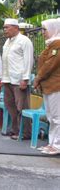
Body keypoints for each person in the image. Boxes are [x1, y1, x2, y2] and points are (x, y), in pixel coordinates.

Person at [1, 18, 34, 140]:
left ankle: (26, 132)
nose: (5, 30)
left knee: (22, 107)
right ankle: (15, 130)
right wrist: (2, 77)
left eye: (7, 27)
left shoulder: (24, 41)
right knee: (10, 105)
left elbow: (28, 60)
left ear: (16, 27)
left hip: (19, 80)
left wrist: (25, 79)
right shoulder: (7, 42)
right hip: (7, 79)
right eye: (4, 27)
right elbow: (4, 60)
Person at [34, 18, 60, 155]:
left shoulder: (58, 45)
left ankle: (57, 145)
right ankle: (52, 143)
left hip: (56, 85)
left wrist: (37, 78)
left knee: (57, 117)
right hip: (48, 86)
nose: (43, 32)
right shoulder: (50, 45)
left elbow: (49, 66)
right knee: (51, 117)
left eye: (45, 29)